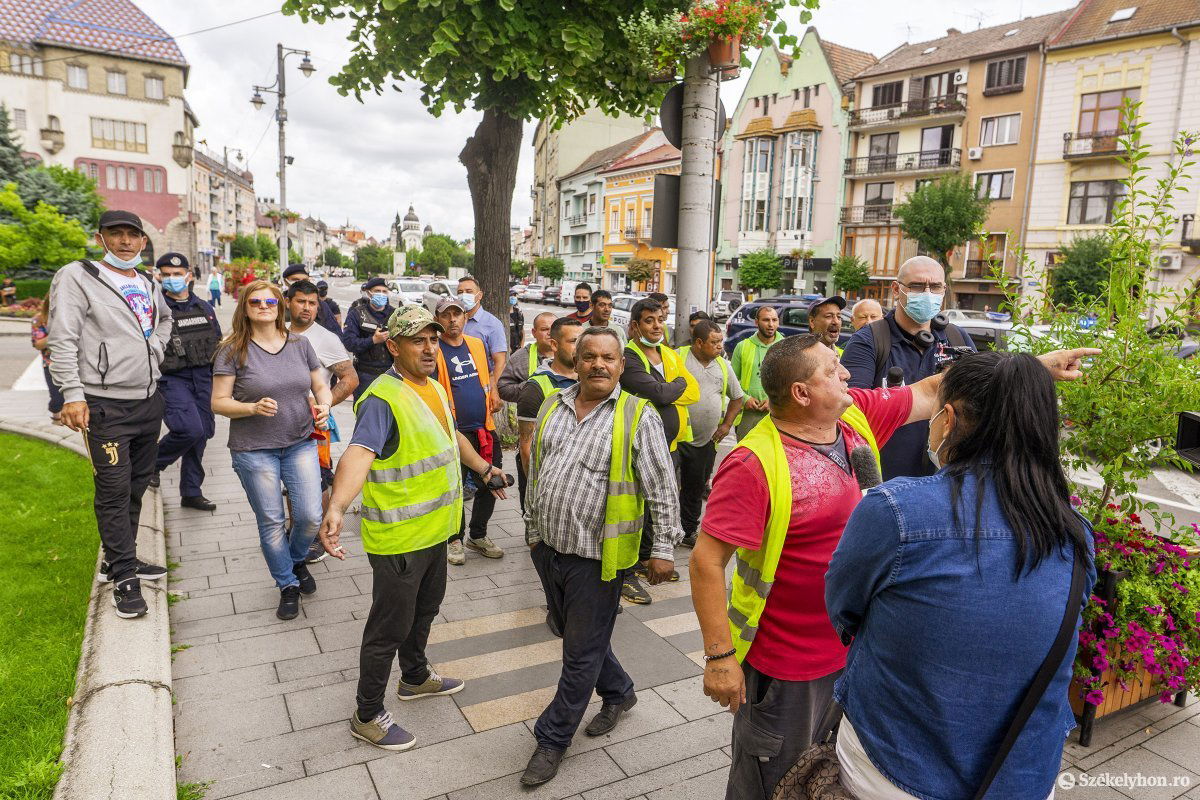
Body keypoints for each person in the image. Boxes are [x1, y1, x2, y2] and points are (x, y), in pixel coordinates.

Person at [688, 336, 1097, 800]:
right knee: (772, 778)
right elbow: (706, 559)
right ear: (802, 393)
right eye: (831, 369)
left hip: (860, 659)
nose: (846, 374)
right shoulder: (753, 462)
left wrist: (1029, 372)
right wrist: (720, 658)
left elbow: (932, 390)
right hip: (790, 666)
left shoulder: (854, 414)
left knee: (823, 778)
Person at [826, 350, 1097, 800]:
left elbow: (843, 607)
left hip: (893, 765)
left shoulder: (896, 511)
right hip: (1022, 773)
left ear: (947, 420)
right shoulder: (1073, 533)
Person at [316, 305, 505, 752]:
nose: (428, 348)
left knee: (426, 608)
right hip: (400, 539)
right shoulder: (383, 398)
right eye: (417, 340)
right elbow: (359, 453)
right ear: (395, 346)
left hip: (436, 531)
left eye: (433, 340)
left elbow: (450, 436)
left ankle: (416, 677)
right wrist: (338, 507)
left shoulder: (435, 387)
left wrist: (484, 468)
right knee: (389, 626)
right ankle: (367, 714)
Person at [520, 327, 683, 786]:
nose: (598, 365)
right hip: (548, 548)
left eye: (608, 358)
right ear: (574, 358)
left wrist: (664, 550)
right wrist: (533, 530)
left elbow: (662, 489)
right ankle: (619, 692)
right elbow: (538, 467)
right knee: (575, 635)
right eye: (589, 355)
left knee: (578, 653)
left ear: (620, 364)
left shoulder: (638, 415)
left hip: (599, 557)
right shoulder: (554, 403)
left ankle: (552, 739)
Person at [48, 209, 171, 618]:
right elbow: (62, 338)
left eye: (132, 235)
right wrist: (72, 394)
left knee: (137, 486)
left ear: (142, 241)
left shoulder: (148, 282)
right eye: (115, 234)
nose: (125, 242)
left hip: (147, 401)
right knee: (114, 491)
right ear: (101, 238)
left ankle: (120, 559)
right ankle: (123, 579)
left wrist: (154, 350)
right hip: (105, 406)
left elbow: (164, 321)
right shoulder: (77, 276)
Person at [212, 280, 332, 621]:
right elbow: (218, 402)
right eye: (255, 301)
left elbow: (320, 384)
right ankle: (287, 584)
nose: (264, 305)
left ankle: (293, 560)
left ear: (280, 306)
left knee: (309, 516)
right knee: (272, 521)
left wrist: (325, 406)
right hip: (254, 449)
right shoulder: (232, 349)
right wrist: (250, 408)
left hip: (299, 442)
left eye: (270, 301)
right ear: (245, 308)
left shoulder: (300, 344)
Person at [841, 256, 975, 480]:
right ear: (896, 289)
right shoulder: (869, 341)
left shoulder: (956, 338)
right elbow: (849, 411)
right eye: (916, 286)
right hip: (884, 480)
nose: (927, 293)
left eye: (935, 286)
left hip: (944, 479)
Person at [286, 279, 359, 560]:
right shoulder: (275, 333)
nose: (307, 308)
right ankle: (296, 530)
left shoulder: (326, 338)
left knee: (317, 479)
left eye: (312, 303)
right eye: (301, 301)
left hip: (313, 425)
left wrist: (322, 404)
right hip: (277, 423)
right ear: (289, 303)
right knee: (289, 482)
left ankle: (319, 536)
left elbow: (350, 378)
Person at [432, 297, 506, 565]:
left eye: (458, 314)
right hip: (453, 432)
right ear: (438, 320)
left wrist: (494, 393)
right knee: (455, 488)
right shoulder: (435, 350)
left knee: (492, 480)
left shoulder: (475, 344)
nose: (453, 320)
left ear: (465, 317)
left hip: (484, 428)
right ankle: (454, 539)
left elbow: (486, 379)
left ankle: (478, 535)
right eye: (446, 315)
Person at [151, 252, 220, 511]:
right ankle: (152, 464)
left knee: (202, 435)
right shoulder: (155, 311)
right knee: (189, 429)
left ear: (188, 276)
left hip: (203, 377)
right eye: (166, 274)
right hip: (172, 378)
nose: (172, 279)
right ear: (159, 277)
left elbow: (218, 344)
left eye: (177, 274)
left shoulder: (204, 307)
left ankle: (191, 492)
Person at [675, 320, 743, 548]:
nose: (719, 346)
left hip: (705, 442)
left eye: (721, 341)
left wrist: (726, 426)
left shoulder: (723, 366)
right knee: (667, 487)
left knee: (694, 490)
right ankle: (662, 533)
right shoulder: (678, 357)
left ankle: (687, 531)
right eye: (714, 342)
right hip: (676, 438)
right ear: (698, 343)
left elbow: (737, 398)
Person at [517, 317, 582, 476]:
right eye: (573, 341)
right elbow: (526, 444)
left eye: (582, 342)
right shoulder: (535, 389)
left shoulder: (588, 380)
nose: (580, 348)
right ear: (554, 344)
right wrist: (535, 488)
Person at [456, 275, 508, 411]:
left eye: (469, 291)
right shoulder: (454, 322)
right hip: (456, 386)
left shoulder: (492, 324)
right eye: (460, 292)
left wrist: (493, 391)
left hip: (481, 389)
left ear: (479, 296)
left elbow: (500, 361)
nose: (463, 295)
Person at [731, 306, 781, 440]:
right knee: (745, 457)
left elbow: (793, 382)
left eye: (774, 320)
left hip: (776, 414)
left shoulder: (786, 347)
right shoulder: (742, 346)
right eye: (766, 320)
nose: (771, 324)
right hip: (747, 414)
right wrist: (744, 399)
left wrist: (773, 402)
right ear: (756, 322)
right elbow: (732, 381)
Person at [342, 277, 396, 401]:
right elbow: (349, 343)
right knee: (364, 412)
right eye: (377, 291)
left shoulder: (395, 314)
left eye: (384, 291)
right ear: (368, 292)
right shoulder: (357, 314)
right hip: (365, 375)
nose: (381, 294)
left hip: (391, 374)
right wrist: (373, 340)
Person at [31, 296, 65, 425]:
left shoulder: (71, 317)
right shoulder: (38, 320)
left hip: (75, 362)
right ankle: (57, 418)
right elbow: (38, 344)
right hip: (51, 364)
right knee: (56, 396)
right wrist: (56, 334)